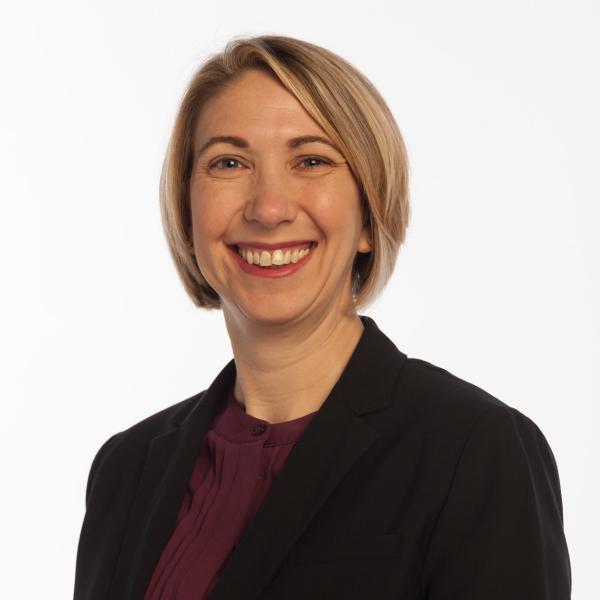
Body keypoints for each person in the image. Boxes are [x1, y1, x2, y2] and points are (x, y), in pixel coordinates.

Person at [73, 35, 572, 600]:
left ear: (368, 213)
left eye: (310, 160)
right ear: (188, 213)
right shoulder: (126, 469)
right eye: (228, 162)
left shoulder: (475, 451)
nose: (269, 208)